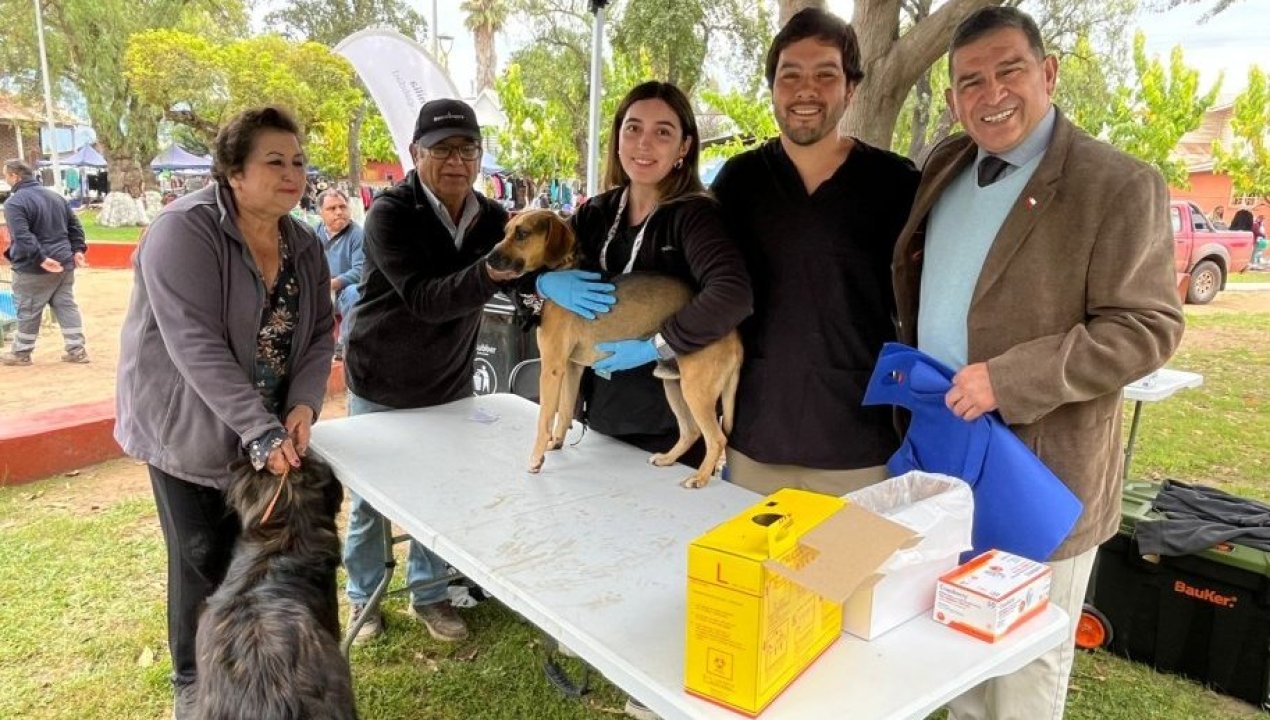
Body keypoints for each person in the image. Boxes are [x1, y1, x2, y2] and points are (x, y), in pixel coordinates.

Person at [891, 8, 1184, 719]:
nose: (991, 94)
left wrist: (1010, 379)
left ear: (1048, 73)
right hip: (942, 453)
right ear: (955, 98)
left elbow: (1148, 326)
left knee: (1021, 671)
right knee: (954, 643)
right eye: (970, 82)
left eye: (1009, 70)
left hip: (1042, 469)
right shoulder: (945, 163)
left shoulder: (1117, 184)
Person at [530, 80, 752, 720]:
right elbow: (532, 275)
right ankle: (608, 651)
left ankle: (655, 688)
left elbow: (732, 295)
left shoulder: (696, 217)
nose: (644, 142)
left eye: (662, 131)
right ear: (617, 136)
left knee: (662, 566)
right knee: (599, 550)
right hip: (601, 420)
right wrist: (545, 279)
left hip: (663, 425)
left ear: (685, 147)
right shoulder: (597, 212)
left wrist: (661, 344)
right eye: (632, 127)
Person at [113, 106, 335, 718]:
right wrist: (261, 429)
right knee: (200, 556)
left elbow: (318, 336)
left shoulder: (305, 242)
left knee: (254, 556)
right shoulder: (183, 231)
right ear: (233, 171)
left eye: (298, 162)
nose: (293, 174)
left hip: (265, 431)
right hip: (187, 426)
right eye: (274, 161)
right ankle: (193, 685)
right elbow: (194, 343)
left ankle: (252, 677)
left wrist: (302, 404)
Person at [709, 7, 920, 495]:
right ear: (773, 88)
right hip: (754, 440)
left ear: (851, 88)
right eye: (791, 76)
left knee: (851, 573)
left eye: (826, 75)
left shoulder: (896, 183)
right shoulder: (738, 183)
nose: (806, 90)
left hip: (860, 447)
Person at [341, 98, 518, 645]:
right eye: (442, 149)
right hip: (380, 380)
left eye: (467, 149)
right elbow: (424, 299)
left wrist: (541, 278)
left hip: (450, 382)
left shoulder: (492, 218)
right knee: (372, 501)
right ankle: (362, 599)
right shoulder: (390, 213)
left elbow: (522, 274)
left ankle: (431, 594)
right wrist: (493, 270)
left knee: (442, 495)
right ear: (416, 154)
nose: (456, 161)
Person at [1, 159, 90, 366]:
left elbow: (23, 237)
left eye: (6, 176)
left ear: (15, 176)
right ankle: (76, 349)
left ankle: (21, 352)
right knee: (65, 305)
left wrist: (41, 258)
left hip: (34, 267)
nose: (6, 180)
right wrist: (77, 250)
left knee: (28, 308)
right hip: (64, 262)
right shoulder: (56, 197)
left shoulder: (14, 203)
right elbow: (75, 226)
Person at [314, 187, 365, 359]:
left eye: (342, 207)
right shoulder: (313, 234)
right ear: (320, 212)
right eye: (332, 208)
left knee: (354, 292)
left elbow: (360, 270)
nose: (338, 212)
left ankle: (344, 343)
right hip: (318, 291)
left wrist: (332, 283)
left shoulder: (357, 234)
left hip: (344, 291)